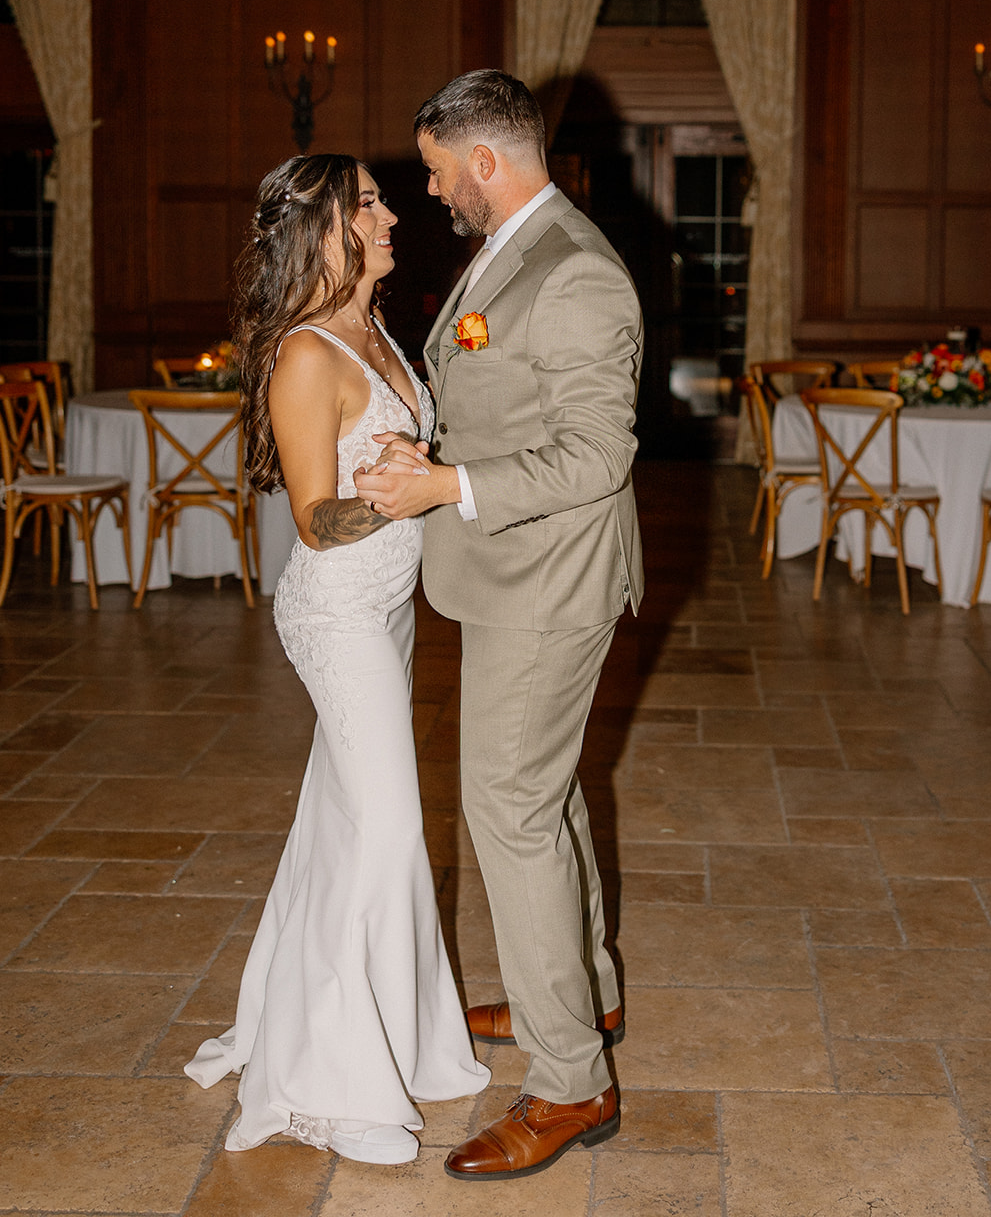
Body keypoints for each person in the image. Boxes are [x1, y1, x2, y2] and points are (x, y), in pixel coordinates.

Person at [357, 70, 644, 1181]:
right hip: (513, 569)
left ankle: (570, 1080)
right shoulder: (519, 245)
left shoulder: (572, 273)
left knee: (508, 811)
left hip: (546, 579)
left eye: (434, 171)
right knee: (546, 797)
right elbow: (485, 383)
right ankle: (582, 997)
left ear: (484, 162)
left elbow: (595, 454)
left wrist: (445, 488)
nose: (429, 192)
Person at [184, 153, 489, 1164]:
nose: (392, 212)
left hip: (390, 609)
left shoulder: (378, 329)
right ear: (328, 228)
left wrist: (440, 476)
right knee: (389, 825)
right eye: (370, 202)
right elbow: (318, 521)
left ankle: (357, 1028)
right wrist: (407, 493)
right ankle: (329, 1087)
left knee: (341, 821)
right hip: (337, 613)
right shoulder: (308, 354)